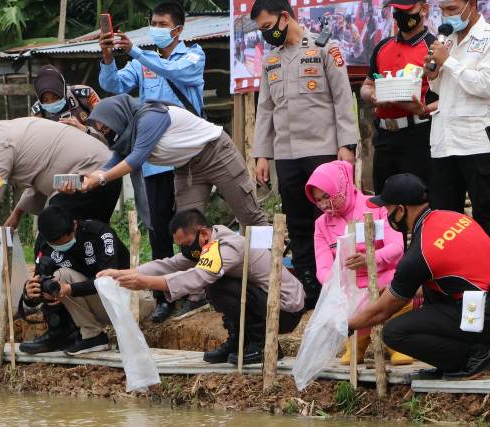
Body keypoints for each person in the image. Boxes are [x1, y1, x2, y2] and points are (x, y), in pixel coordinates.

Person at [348, 173, 490, 378]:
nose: (387, 215)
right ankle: (455, 359)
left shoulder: (420, 252)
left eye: (388, 209)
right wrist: (403, 291)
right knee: (428, 290)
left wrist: (346, 325)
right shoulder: (453, 217)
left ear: (401, 210)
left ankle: (476, 355)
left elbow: (381, 312)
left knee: (395, 332)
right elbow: (453, 277)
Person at [99, 1, 205, 322]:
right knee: (159, 229)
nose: (156, 28)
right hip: (155, 160)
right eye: (153, 23)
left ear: (178, 28)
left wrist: (137, 53)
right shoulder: (143, 60)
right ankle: (163, 296)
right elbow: (113, 85)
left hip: (186, 158)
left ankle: (197, 291)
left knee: (191, 226)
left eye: (162, 23)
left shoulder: (193, 56)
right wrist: (107, 57)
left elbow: (172, 72)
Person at [250, 0, 358, 310]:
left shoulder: (325, 47)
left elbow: (342, 98)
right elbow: (266, 109)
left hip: (323, 150)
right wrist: (262, 154)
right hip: (287, 154)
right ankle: (310, 284)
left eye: (268, 27)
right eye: (261, 31)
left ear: (285, 18)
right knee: (297, 223)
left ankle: (340, 281)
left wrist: (346, 147)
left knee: (331, 218)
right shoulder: (271, 60)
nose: (265, 35)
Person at [97, 209, 305, 365]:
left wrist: (145, 283)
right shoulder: (207, 245)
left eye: (186, 243)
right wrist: (123, 273)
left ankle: (263, 344)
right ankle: (240, 340)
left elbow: (197, 278)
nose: (185, 250)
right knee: (219, 286)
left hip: (284, 310)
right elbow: (169, 264)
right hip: (265, 302)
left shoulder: (227, 247)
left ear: (203, 234)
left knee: (217, 287)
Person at [72, 95, 269, 230]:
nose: (107, 133)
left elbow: (135, 159)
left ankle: (271, 273)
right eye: (102, 130)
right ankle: (199, 286)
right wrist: (91, 178)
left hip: (216, 153)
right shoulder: (127, 136)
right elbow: (114, 161)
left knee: (250, 217)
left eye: (106, 127)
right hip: (187, 167)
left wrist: (102, 179)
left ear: (118, 117)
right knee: (188, 228)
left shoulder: (150, 117)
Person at [0, 113, 120, 253]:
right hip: (104, 173)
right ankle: (103, 283)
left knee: (50, 238)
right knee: (90, 239)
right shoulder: (8, 129)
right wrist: (17, 213)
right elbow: (39, 173)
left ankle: (51, 296)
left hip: (89, 176)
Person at [305, 160, 412, 366]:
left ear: (342, 186)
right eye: (318, 200)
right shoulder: (321, 224)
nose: (324, 204)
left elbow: (397, 247)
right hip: (350, 284)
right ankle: (357, 342)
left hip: (384, 275)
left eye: (327, 196)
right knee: (346, 302)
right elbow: (323, 265)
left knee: (395, 290)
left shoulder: (375, 207)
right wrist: (338, 281)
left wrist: (370, 260)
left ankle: (397, 342)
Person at [424, 0, 490, 253]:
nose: (447, 16)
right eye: (443, 11)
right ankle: (453, 288)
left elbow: (487, 87)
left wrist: (448, 62)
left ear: (471, 4)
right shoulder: (445, 40)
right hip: (444, 143)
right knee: (445, 221)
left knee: (487, 216)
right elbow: (441, 89)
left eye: (452, 9)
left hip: (478, 142)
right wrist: (434, 73)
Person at [19, 205, 154, 355]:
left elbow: (108, 279)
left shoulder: (100, 233)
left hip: (134, 301)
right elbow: (45, 285)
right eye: (55, 244)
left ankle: (127, 335)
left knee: (74, 282)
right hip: (100, 306)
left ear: (74, 225)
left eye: (66, 240)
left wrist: (71, 289)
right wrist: (30, 294)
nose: (62, 246)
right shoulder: (44, 244)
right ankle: (92, 336)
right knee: (59, 277)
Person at [361, 0, 438, 193]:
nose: (401, 16)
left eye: (407, 10)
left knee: (420, 199)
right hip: (385, 135)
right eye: (397, 11)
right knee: (385, 200)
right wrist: (372, 95)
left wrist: (425, 109)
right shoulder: (382, 47)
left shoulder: (434, 48)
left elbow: (449, 97)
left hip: (418, 135)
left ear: (423, 9)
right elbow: (367, 85)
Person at [31, 64, 100, 136]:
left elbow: (105, 132)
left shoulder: (85, 94)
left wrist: (84, 129)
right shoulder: (37, 112)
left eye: (56, 97)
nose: (51, 103)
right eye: (45, 100)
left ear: (63, 90)